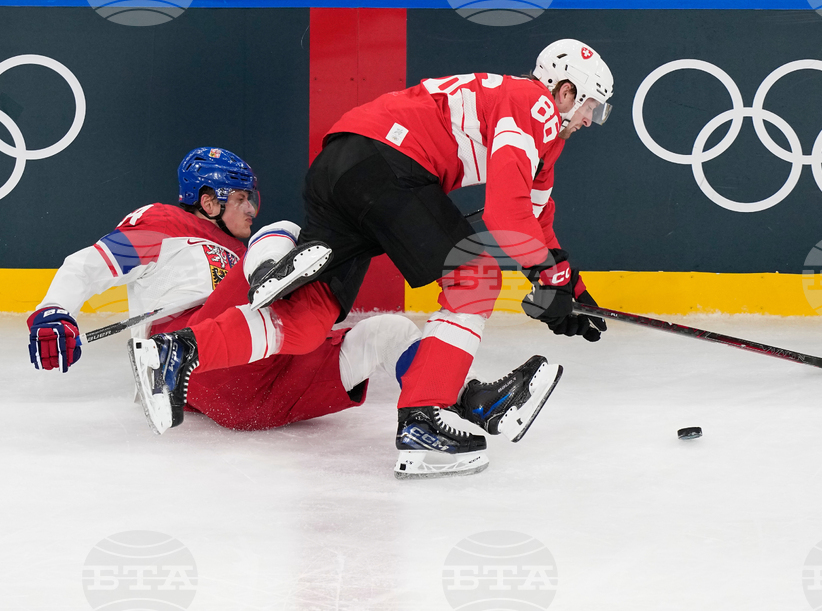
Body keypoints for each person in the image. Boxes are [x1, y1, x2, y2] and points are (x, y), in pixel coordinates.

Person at [240, 39, 614, 478]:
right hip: (387, 161)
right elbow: (505, 214)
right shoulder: (534, 105)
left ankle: (218, 316)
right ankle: (422, 417)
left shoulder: (542, 128)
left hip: (350, 156)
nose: (591, 119)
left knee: (313, 303)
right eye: (592, 105)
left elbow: (536, 219)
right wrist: (548, 278)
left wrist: (572, 288)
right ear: (565, 91)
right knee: (474, 277)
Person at [27, 147, 558, 456]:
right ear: (208, 200)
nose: (252, 209)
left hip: (255, 400)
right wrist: (55, 310)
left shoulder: (240, 246)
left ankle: (468, 402)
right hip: (200, 363)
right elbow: (87, 265)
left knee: (389, 332)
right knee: (290, 232)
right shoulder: (169, 225)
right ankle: (226, 319)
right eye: (241, 198)